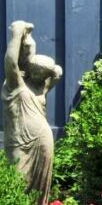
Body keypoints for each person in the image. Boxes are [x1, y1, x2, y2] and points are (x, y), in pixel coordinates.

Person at [3, 21, 62, 204]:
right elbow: (11, 61)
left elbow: (57, 73)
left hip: (42, 140)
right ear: (29, 68)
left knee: (40, 191)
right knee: (18, 181)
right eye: (36, 72)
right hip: (19, 142)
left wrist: (26, 36)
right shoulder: (15, 85)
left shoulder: (41, 87)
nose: (39, 77)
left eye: (42, 74)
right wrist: (18, 34)